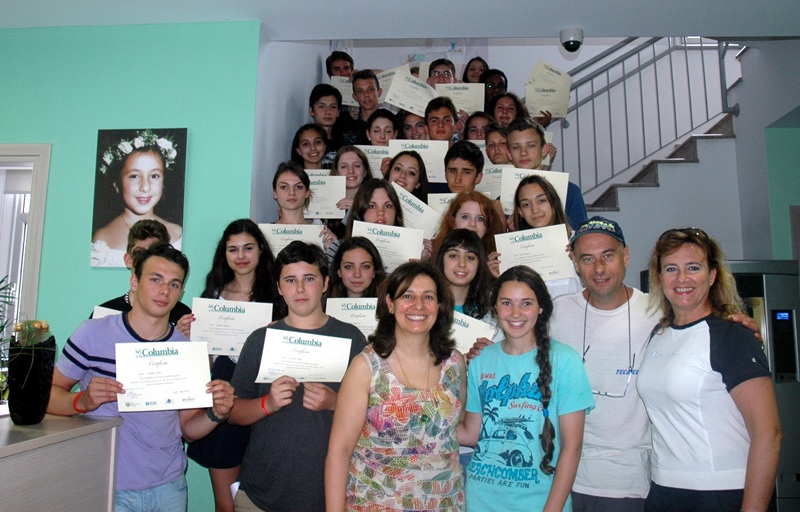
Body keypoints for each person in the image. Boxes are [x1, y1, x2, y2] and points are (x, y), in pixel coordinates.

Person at [48, 243, 234, 510]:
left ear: (181, 291)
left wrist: (217, 413)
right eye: (155, 279)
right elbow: (47, 396)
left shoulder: (186, 350)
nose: (164, 291)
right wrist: (82, 402)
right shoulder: (93, 333)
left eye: (174, 284)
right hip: (107, 483)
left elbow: (189, 430)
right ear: (134, 281)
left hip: (169, 488)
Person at [637, 228, 781, 512]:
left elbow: (769, 432)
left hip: (720, 493)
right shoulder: (659, 334)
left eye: (693, 267)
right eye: (671, 269)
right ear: (659, 277)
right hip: (664, 490)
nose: (682, 279)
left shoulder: (731, 336)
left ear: (712, 275)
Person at [229, 241, 367, 511]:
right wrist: (266, 404)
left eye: (310, 279)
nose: (300, 289)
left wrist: (335, 403)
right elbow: (232, 412)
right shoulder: (260, 340)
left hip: (330, 496)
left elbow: (376, 413)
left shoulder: (351, 339)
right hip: (260, 496)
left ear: (326, 283)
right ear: (279, 288)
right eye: (290, 280)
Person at [326, 261, 466, 511]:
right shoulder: (366, 367)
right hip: (375, 503)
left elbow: (452, 433)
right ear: (390, 304)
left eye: (428, 297)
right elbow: (340, 452)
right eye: (407, 296)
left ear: (440, 305)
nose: (418, 306)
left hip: (444, 503)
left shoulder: (455, 364)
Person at [458, 265, 594, 511]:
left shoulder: (566, 361)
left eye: (527, 303)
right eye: (507, 303)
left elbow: (571, 448)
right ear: (495, 307)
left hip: (540, 502)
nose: (516, 313)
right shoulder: (480, 360)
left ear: (541, 307)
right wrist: (423, 423)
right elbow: (472, 433)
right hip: (480, 501)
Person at [186, 219, 277, 512]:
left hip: (265, 391)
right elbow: (207, 362)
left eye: (248, 248)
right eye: (233, 249)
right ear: (223, 254)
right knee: (227, 505)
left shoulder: (279, 295)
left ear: (261, 249)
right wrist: (192, 339)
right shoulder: (214, 295)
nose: (241, 256)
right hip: (224, 391)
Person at [92, 130, 182, 267]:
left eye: (154, 176)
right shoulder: (102, 241)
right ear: (117, 184)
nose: (145, 187)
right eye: (134, 176)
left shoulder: (178, 233)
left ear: (163, 182)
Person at [93, 219, 192, 334]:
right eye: (141, 254)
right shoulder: (106, 314)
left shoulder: (182, 315)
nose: (147, 260)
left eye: (155, 254)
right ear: (128, 260)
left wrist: (181, 340)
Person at [505, 116, 587, 230]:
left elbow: (581, 236)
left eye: (530, 145)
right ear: (509, 154)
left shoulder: (569, 191)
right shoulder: (501, 200)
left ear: (544, 149)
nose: (523, 153)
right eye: (516, 147)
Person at [431, 190, 505, 263]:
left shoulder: (498, 259)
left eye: (480, 219)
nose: (472, 224)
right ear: (452, 221)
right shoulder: (435, 254)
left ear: (488, 226)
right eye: (465, 217)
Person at [351, 69, 382, 143]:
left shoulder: (392, 123)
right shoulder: (349, 129)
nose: (366, 95)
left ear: (379, 92)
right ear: (355, 96)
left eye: (370, 90)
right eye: (360, 91)